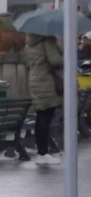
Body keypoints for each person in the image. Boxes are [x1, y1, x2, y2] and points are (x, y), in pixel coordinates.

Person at [24, 33, 63, 165]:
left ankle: (43, 151)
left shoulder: (29, 44)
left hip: (34, 79)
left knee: (42, 114)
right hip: (45, 81)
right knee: (45, 116)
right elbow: (55, 61)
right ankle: (43, 153)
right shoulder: (47, 42)